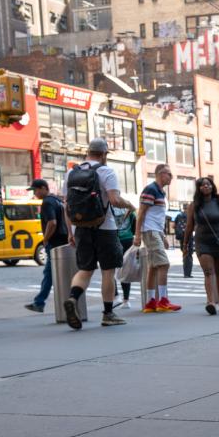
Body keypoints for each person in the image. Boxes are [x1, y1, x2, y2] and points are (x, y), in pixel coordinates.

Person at [61, 138, 137, 329]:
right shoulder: (106, 171)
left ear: (88, 152)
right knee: (108, 271)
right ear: (103, 154)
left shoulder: (71, 173)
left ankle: (72, 298)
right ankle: (108, 313)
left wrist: (70, 232)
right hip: (105, 228)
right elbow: (114, 199)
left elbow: (67, 206)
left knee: (85, 269)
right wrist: (129, 204)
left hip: (81, 228)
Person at [184, 177, 219, 315]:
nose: (205, 187)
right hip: (202, 241)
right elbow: (189, 226)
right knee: (208, 272)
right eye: (202, 185)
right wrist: (185, 245)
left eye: (208, 184)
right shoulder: (194, 205)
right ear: (199, 188)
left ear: (212, 187)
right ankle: (211, 302)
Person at [135, 164, 181, 313]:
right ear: (161, 174)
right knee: (164, 264)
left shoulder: (160, 192)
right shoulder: (151, 189)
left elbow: (157, 217)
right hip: (150, 231)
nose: (171, 177)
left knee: (154, 267)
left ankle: (150, 302)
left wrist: (163, 236)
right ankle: (162, 301)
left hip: (155, 231)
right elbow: (141, 213)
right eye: (169, 174)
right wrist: (137, 235)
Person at [24, 179, 67, 313]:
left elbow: (52, 222)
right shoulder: (57, 200)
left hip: (54, 242)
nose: (35, 193)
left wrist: (45, 238)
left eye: (36, 190)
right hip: (64, 240)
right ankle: (41, 302)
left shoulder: (47, 202)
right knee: (57, 272)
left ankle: (40, 302)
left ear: (43, 188)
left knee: (49, 273)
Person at [113, 206, 136, 309]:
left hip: (113, 239)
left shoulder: (108, 208)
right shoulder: (128, 209)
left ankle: (115, 296)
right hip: (128, 240)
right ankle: (126, 300)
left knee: (109, 270)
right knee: (125, 269)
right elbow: (134, 226)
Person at [174, 211, 193, 278]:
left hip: (182, 236)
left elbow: (174, 226)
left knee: (185, 253)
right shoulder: (190, 215)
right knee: (189, 254)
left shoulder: (178, 216)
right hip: (189, 236)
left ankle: (186, 273)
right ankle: (187, 273)